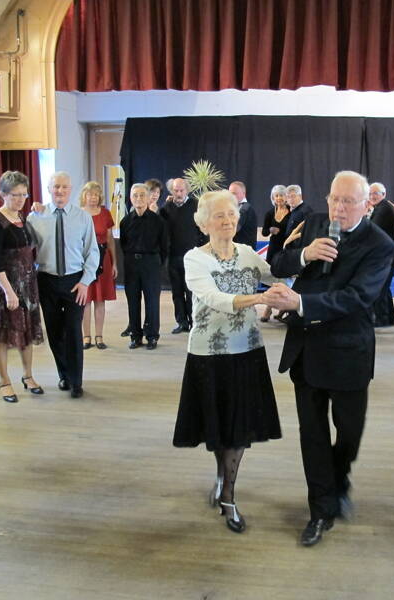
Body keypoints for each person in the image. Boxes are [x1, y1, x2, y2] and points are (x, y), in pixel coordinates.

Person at [266, 170, 394, 547]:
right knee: (312, 435)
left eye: (348, 201)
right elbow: (279, 264)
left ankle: (339, 478)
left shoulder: (380, 244)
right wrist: (304, 254)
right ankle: (321, 509)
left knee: (349, 432)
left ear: (366, 204)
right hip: (307, 350)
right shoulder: (314, 224)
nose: (338, 208)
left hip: (348, 352)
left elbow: (358, 296)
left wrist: (301, 303)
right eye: (334, 199)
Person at [173, 190, 282, 534]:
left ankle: (228, 495)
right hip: (208, 354)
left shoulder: (248, 253)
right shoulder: (195, 259)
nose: (228, 221)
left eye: (232, 214)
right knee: (218, 425)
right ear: (204, 223)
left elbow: (276, 276)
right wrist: (259, 298)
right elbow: (214, 298)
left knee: (238, 428)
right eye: (219, 215)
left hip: (246, 350)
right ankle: (222, 476)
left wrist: (302, 256)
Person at [29, 172, 99, 399]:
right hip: (47, 280)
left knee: (73, 331)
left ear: (71, 190)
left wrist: (85, 282)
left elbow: (92, 252)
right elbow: (26, 248)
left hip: (74, 281)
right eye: (56, 186)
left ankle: (76, 381)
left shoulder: (82, 217)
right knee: (54, 331)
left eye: (64, 187)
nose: (60, 191)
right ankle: (64, 375)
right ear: (49, 189)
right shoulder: (36, 217)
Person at [0, 171, 45, 404]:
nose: (20, 199)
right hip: (5, 287)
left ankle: (28, 375)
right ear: (2, 194)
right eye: (15, 195)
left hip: (26, 284)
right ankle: (4, 381)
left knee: (26, 331)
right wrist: (9, 292)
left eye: (23, 194)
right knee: (1, 335)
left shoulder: (21, 217)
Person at [120, 183, 168, 350]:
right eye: (135, 195)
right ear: (130, 198)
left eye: (142, 195)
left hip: (151, 264)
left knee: (152, 301)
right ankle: (135, 335)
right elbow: (123, 244)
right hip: (131, 264)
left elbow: (164, 246)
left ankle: (152, 336)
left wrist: (156, 264)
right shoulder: (125, 222)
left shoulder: (158, 221)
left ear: (148, 198)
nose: (138, 198)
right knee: (133, 301)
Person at [160, 178, 204, 334]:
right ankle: (181, 322)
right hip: (173, 256)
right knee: (177, 292)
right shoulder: (166, 208)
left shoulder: (196, 205)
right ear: (171, 191)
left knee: (191, 292)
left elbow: (203, 230)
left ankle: (194, 321)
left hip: (192, 257)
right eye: (175, 190)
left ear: (187, 190)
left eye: (181, 190)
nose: (178, 193)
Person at [79, 181, 117, 351]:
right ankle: (86, 336)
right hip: (84, 259)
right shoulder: (79, 214)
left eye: (96, 194)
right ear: (84, 196)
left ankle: (99, 336)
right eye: (90, 194)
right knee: (86, 299)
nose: (93, 198)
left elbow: (110, 240)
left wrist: (114, 263)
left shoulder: (105, 213)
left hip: (103, 258)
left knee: (100, 299)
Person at [368, 182, 394, 327]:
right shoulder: (382, 207)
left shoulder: (383, 209)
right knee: (384, 287)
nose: (372, 196)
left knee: (381, 287)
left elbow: (372, 229)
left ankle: (382, 319)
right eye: (370, 193)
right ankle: (389, 318)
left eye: (375, 193)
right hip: (389, 253)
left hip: (387, 254)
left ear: (384, 194)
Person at [260, 184, 290, 322]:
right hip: (273, 249)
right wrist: (270, 230)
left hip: (286, 249)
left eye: (281, 195)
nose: (279, 198)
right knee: (273, 279)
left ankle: (274, 308)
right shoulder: (269, 213)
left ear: (286, 197)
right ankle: (271, 307)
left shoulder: (292, 212)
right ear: (273, 197)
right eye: (276, 195)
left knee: (283, 280)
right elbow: (264, 232)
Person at [229, 181, 257, 248]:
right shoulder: (234, 208)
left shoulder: (245, 209)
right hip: (237, 248)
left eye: (234, 193)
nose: (231, 196)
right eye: (230, 194)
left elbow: (234, 228)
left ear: (244, 194)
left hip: (244, 250)